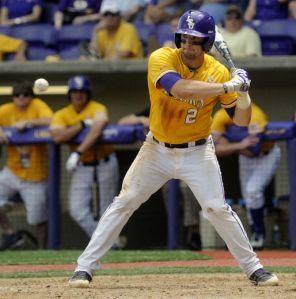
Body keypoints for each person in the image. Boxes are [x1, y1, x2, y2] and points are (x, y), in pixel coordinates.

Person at [68, 10, 279, 287]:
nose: (189, 46)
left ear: (207, 43)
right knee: (126, 200)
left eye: (196, 40)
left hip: (198, 151)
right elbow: (180, 89)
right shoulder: (162, 57)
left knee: (217, 207)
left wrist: (242, 94)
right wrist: (228, 85)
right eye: (185, 39)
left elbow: (242, 120)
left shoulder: (218, 70)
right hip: (156, 149)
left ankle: (254, 269)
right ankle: (84, 267)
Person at [50, 75, 119, 239]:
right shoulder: (62, 114)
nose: (78, 95)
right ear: (70, 94)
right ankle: (105, 241)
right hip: (82, 165)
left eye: (82, 91)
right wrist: (81, 125)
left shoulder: (97, 107)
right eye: (74, 91)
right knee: (77, 210)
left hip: (104, 162)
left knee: (107, 210)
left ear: (88, 93)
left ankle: (105, 244)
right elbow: (57, 137)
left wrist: (78, 151)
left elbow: (99, 125)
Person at [212, 103, 281, 249]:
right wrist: (239, 144)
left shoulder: (256, 114)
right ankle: (255, 235)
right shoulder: (221, 115)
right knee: (248, 197)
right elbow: (213, 147)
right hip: (244, 157)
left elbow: (254, 148)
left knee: (253, 191)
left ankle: (259, 233)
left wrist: (229, 138)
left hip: (266, 155)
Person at [0, 81, 53, 250]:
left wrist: (29, 123)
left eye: (25, 95)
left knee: (37, 218)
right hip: (12, 171)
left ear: (31, 97)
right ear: (13, 98)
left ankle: (43, 251)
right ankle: (9, 233)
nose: (21, 98)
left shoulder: (37, 105)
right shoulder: (6, 110)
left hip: (35, 176)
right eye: (17, 95)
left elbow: (51, 119)